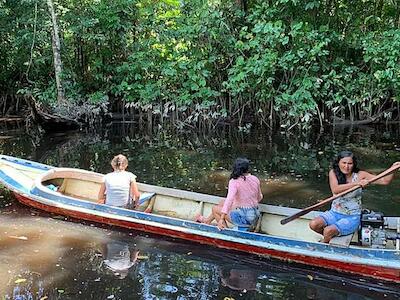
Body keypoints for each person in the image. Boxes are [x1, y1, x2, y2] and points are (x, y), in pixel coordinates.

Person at [309, 150, 399, 243]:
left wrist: (393, 169)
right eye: (344, 163)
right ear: (338, 162)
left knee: (328, 231)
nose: (346, 166)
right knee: (314, 224)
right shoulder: (333, 173)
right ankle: (332, 238)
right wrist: (357, 184)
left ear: (354, 164)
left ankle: (325, 244)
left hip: (351, 217)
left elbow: (384, 181)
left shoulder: (361, 175)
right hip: (334, 213)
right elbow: (336, 189)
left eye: (350, 163)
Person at [197, 158, 263, 230]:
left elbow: (229, 200)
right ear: (247, 169)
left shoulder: (234, 181)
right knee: (222, 203)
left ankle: (226, 230)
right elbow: (260, 197)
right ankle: (207, 221)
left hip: (244, 218)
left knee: (215, 209)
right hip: (255, 214)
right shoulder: (255, 179)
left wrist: (221, 219)